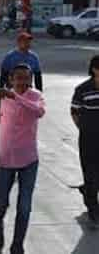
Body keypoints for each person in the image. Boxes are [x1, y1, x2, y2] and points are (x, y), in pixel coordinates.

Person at [0, 63, 46, 254]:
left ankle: (17, 244)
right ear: (11, 79)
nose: (23, 81)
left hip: (28, 159)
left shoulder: (36, 96)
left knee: (24, 207)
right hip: (5, 158)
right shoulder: (1, 98)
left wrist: (15, 97)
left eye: (26, 78)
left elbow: (38, 112)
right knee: (1, 203)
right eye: (19, 78)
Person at [71, 55, 99, 228]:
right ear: (94, 69)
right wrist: (83, 128)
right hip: (88, 137)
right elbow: (74, 111)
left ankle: (87, 190)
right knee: (90, 172)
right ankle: (92, 209)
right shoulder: (83, 89)